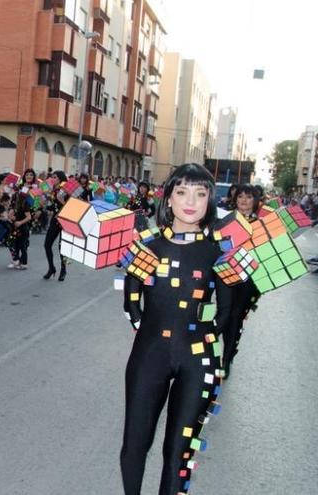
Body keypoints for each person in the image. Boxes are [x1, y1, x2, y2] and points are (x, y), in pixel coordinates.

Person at [120, 163, 231, 495]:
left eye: (200, 193)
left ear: (210, 199)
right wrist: (152, 330)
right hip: (150, 354)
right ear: (168, 198)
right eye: (182, 191)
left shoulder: (220, 249)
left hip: (199, 360)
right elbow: (132, 301)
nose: (191, 201)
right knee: (135, 444)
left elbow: (225, 312)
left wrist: (199, 336)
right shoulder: (148, 246)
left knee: (180, 453)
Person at [221, 184, 261, 377]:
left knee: (236, 316)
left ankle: (226, 359)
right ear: (235, 200)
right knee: (224, 314)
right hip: (225, 275)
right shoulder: (225, 220)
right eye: (240, 197)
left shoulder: (261, 225)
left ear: (255, 201)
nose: (244, 201)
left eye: (249, 197)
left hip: (249, 279)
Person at [43, 171, 69, 281]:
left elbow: (73, 206)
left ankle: (63, 270)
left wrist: (61, 201)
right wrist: (45, 205)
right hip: (55, 219)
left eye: (55, 177)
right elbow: (53, 207)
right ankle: (51, 268)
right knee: (47, 244)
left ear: (61, 179)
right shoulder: (53, 190)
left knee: (62, 247)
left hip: (65, 220)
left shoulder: (67, 190)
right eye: (52, 177)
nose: (53, 179)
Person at [7, 189, 32, 269]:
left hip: (23, 228)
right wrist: (12, 217)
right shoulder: (16, 205)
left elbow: (29, 217)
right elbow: (14, 215)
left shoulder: (25, 204)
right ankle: (16, 260)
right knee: (13, 244)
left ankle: (24, 263)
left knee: (22, 246)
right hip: (15, 228)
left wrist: (20, 222)